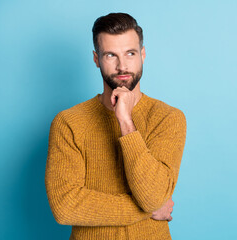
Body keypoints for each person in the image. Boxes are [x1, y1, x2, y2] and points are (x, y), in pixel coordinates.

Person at [45, 12, 186, 239]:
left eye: (130, 53)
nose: (122, 66)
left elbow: (153, 195)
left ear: (143, 54)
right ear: (96, 59)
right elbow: (64, 207)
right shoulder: (68, 122)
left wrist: (125, 121)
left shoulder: (167, 117)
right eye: (111, 55)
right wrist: (146, 211)